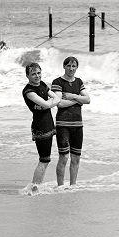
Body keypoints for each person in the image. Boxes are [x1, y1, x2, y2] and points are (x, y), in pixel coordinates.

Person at [21, 62, 61, 196]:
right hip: (40, 127)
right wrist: (49, 104)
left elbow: (56, 98)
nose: (37, 76)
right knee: (44, 159)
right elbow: (48, 102)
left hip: (49, 124)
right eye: (33, 74)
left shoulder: (42, 84)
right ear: (27, 76)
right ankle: (34, 189)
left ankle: (35, 187)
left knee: (46, 159)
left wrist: (48, 104)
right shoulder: (28, 91)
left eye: (38, 73)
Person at [51, 56, 90, 188]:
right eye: (69, 66)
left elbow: (88, 99)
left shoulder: (79, 82)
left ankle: (73, 186)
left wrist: (73, 96)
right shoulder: (57, 82)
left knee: (76, 158)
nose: (71, 69)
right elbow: (60, 103)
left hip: (78, 125)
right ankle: (60, 186)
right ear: (64, 66)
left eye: (74, 66)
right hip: (63, 124)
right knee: (64, 157)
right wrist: (79, 100)